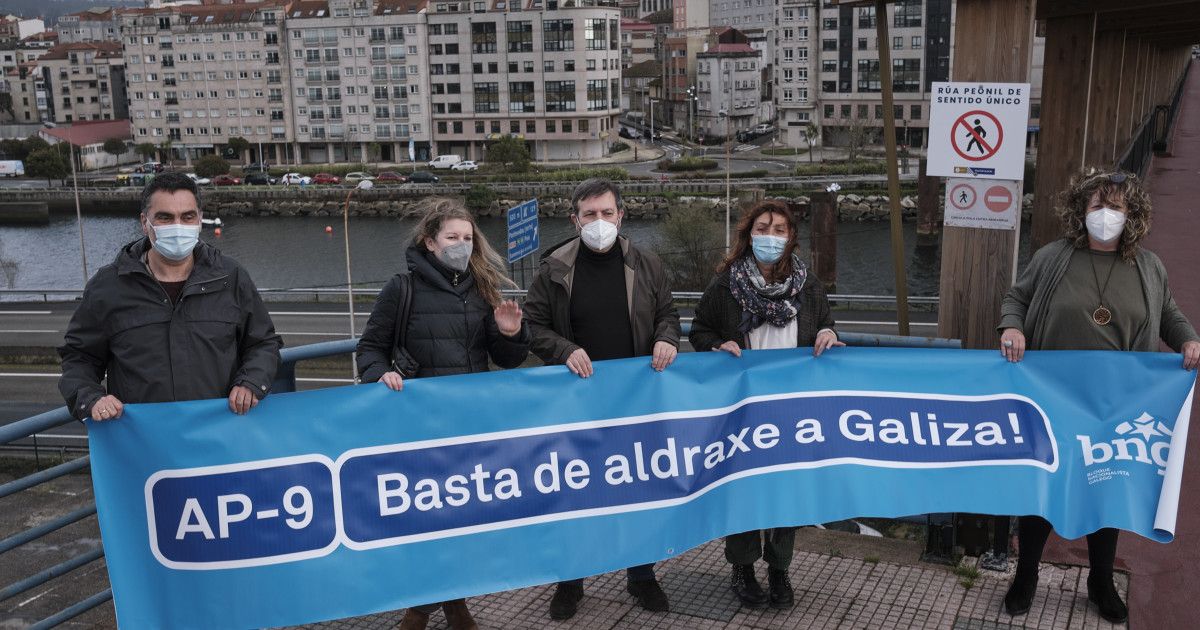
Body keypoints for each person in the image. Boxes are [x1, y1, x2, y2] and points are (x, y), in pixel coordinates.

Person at [998, 168, 1200, 624]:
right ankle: (1025, 575)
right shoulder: (1054, 257)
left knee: (1106, 487)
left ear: (1132, 216)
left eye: (1116, 207)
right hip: (1052, 399)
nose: (1105, 215)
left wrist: (1188, 338)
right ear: (1081, 211)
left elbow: (1169, 313)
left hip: (1117, 404)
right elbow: (1018, 298)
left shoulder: (1149, 267)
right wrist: (1012, 327)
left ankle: (1100, 580)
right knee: (1043, 489)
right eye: (1097, 205)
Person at [355, 197, 529, 630]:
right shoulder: (402, 288)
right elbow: (370, 349)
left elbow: (505, 359)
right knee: (426, 521)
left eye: (468, 238)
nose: (462, 245)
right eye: (452, 237)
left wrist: (511, 334)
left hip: (469, 428)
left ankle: (450, 601)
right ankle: (423, 607)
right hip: (419, 429)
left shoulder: (482, 288)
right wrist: (380, 376)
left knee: (463, 521)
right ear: (430, 242)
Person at [524, 178, 681, 620]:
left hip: (637, 404)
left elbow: (668, 314)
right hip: (577, 405)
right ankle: (570, 580)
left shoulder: (648, 265)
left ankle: (642, 576)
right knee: (574, 494)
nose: (599, 223)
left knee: (639, 491)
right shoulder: (554, 268)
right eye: (589, 215)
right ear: (575, 219)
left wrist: (667, 338)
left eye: (606, 213)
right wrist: (565, 350)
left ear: (621, 216)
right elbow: (534, 327)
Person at [689, 199, 842, 610]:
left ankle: (780, 568)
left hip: (792, 412)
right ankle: (742, 567)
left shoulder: (808, 287)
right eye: (762, 228)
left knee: (785, 493)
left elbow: (824, 324)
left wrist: (828, 332)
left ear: (791, 237)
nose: (769, 236)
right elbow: (699, 330)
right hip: (742, 411)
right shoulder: (726, 285)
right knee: (743, 493)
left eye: (778, 229)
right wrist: (717, 345)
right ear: (748, 234)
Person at [59, 172, 282, 422]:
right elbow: (79, 358)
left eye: (187, 217)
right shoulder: (108, 287)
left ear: (199, 220)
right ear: (145, 222)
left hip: (219, 436)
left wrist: (251, 382)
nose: (178, 226)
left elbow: (263, 343)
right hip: (145, 444)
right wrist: (91, 397)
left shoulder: (232, 277)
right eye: (165, 217)